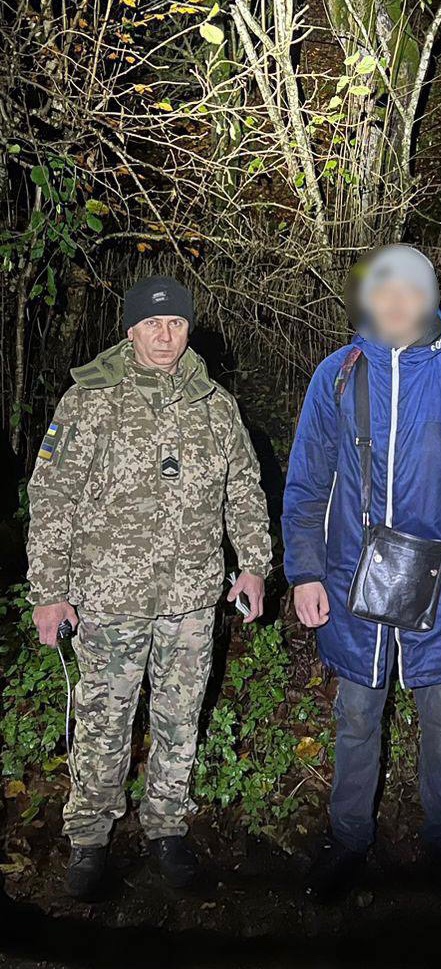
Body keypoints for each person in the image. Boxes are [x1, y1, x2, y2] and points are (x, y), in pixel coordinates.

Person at [282, 245, 441, 900]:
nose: (395, 301)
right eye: (383, 289)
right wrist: (304, 571)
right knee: (357, 715)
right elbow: (307, 483)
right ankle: (348, 838)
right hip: (351, 580)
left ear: (430, 298)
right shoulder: (337, 375)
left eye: (410, 289)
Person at [27, 276, 271, 899]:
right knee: (103, 723)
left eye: (176, 323)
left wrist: (253, 564)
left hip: (191, 598)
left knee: (180, 720)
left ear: (189, 329)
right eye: (153, 324)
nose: (165, 335)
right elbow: (51, 498)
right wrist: (49, 591)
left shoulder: (216, 405)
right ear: (131, 329)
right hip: (108, 598)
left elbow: (244, 490)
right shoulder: (89, 401)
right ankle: (89, 839)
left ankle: (166, 826)